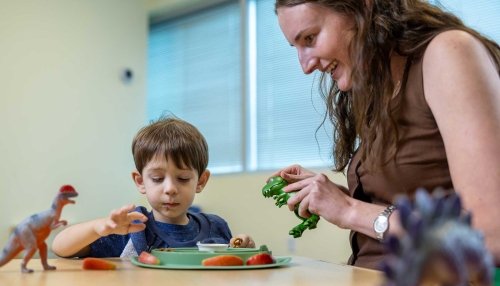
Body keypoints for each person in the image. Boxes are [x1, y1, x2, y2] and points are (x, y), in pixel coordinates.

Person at [271, 0, 500, 270]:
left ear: (363, 8)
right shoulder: (378, 86)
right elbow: (405, 201)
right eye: (295, 48)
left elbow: (489, 238)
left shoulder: (449, 52)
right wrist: (334, 198)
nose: (305, 66)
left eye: (310, 38)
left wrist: (349, 210)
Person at [52, 116, 255, 258]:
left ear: (200, 181)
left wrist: (244, 248)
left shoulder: (216, 227)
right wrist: (100, 227)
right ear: (141, 181)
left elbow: (231, 268)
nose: (170, 189)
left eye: (183, 178)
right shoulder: (133, 228)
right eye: (157, 178)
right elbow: (60, 247)